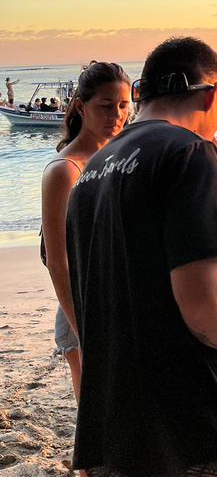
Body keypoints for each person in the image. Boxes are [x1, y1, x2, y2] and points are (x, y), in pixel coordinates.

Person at [66, 36, 217, 477]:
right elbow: (204, 297)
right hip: (184, 426)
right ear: (213, 92)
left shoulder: (92, 171)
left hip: (112, 427)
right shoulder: (190, 150)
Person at [41, 63, 131, 424]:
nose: (117, 115)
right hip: (82, 307)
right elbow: (57, 260)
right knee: (97, 420)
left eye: (124, 105)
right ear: (81, 106)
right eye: (106, 106)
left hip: (117, 301)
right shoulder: (64, 170)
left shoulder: (118, 156)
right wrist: (81, 328)